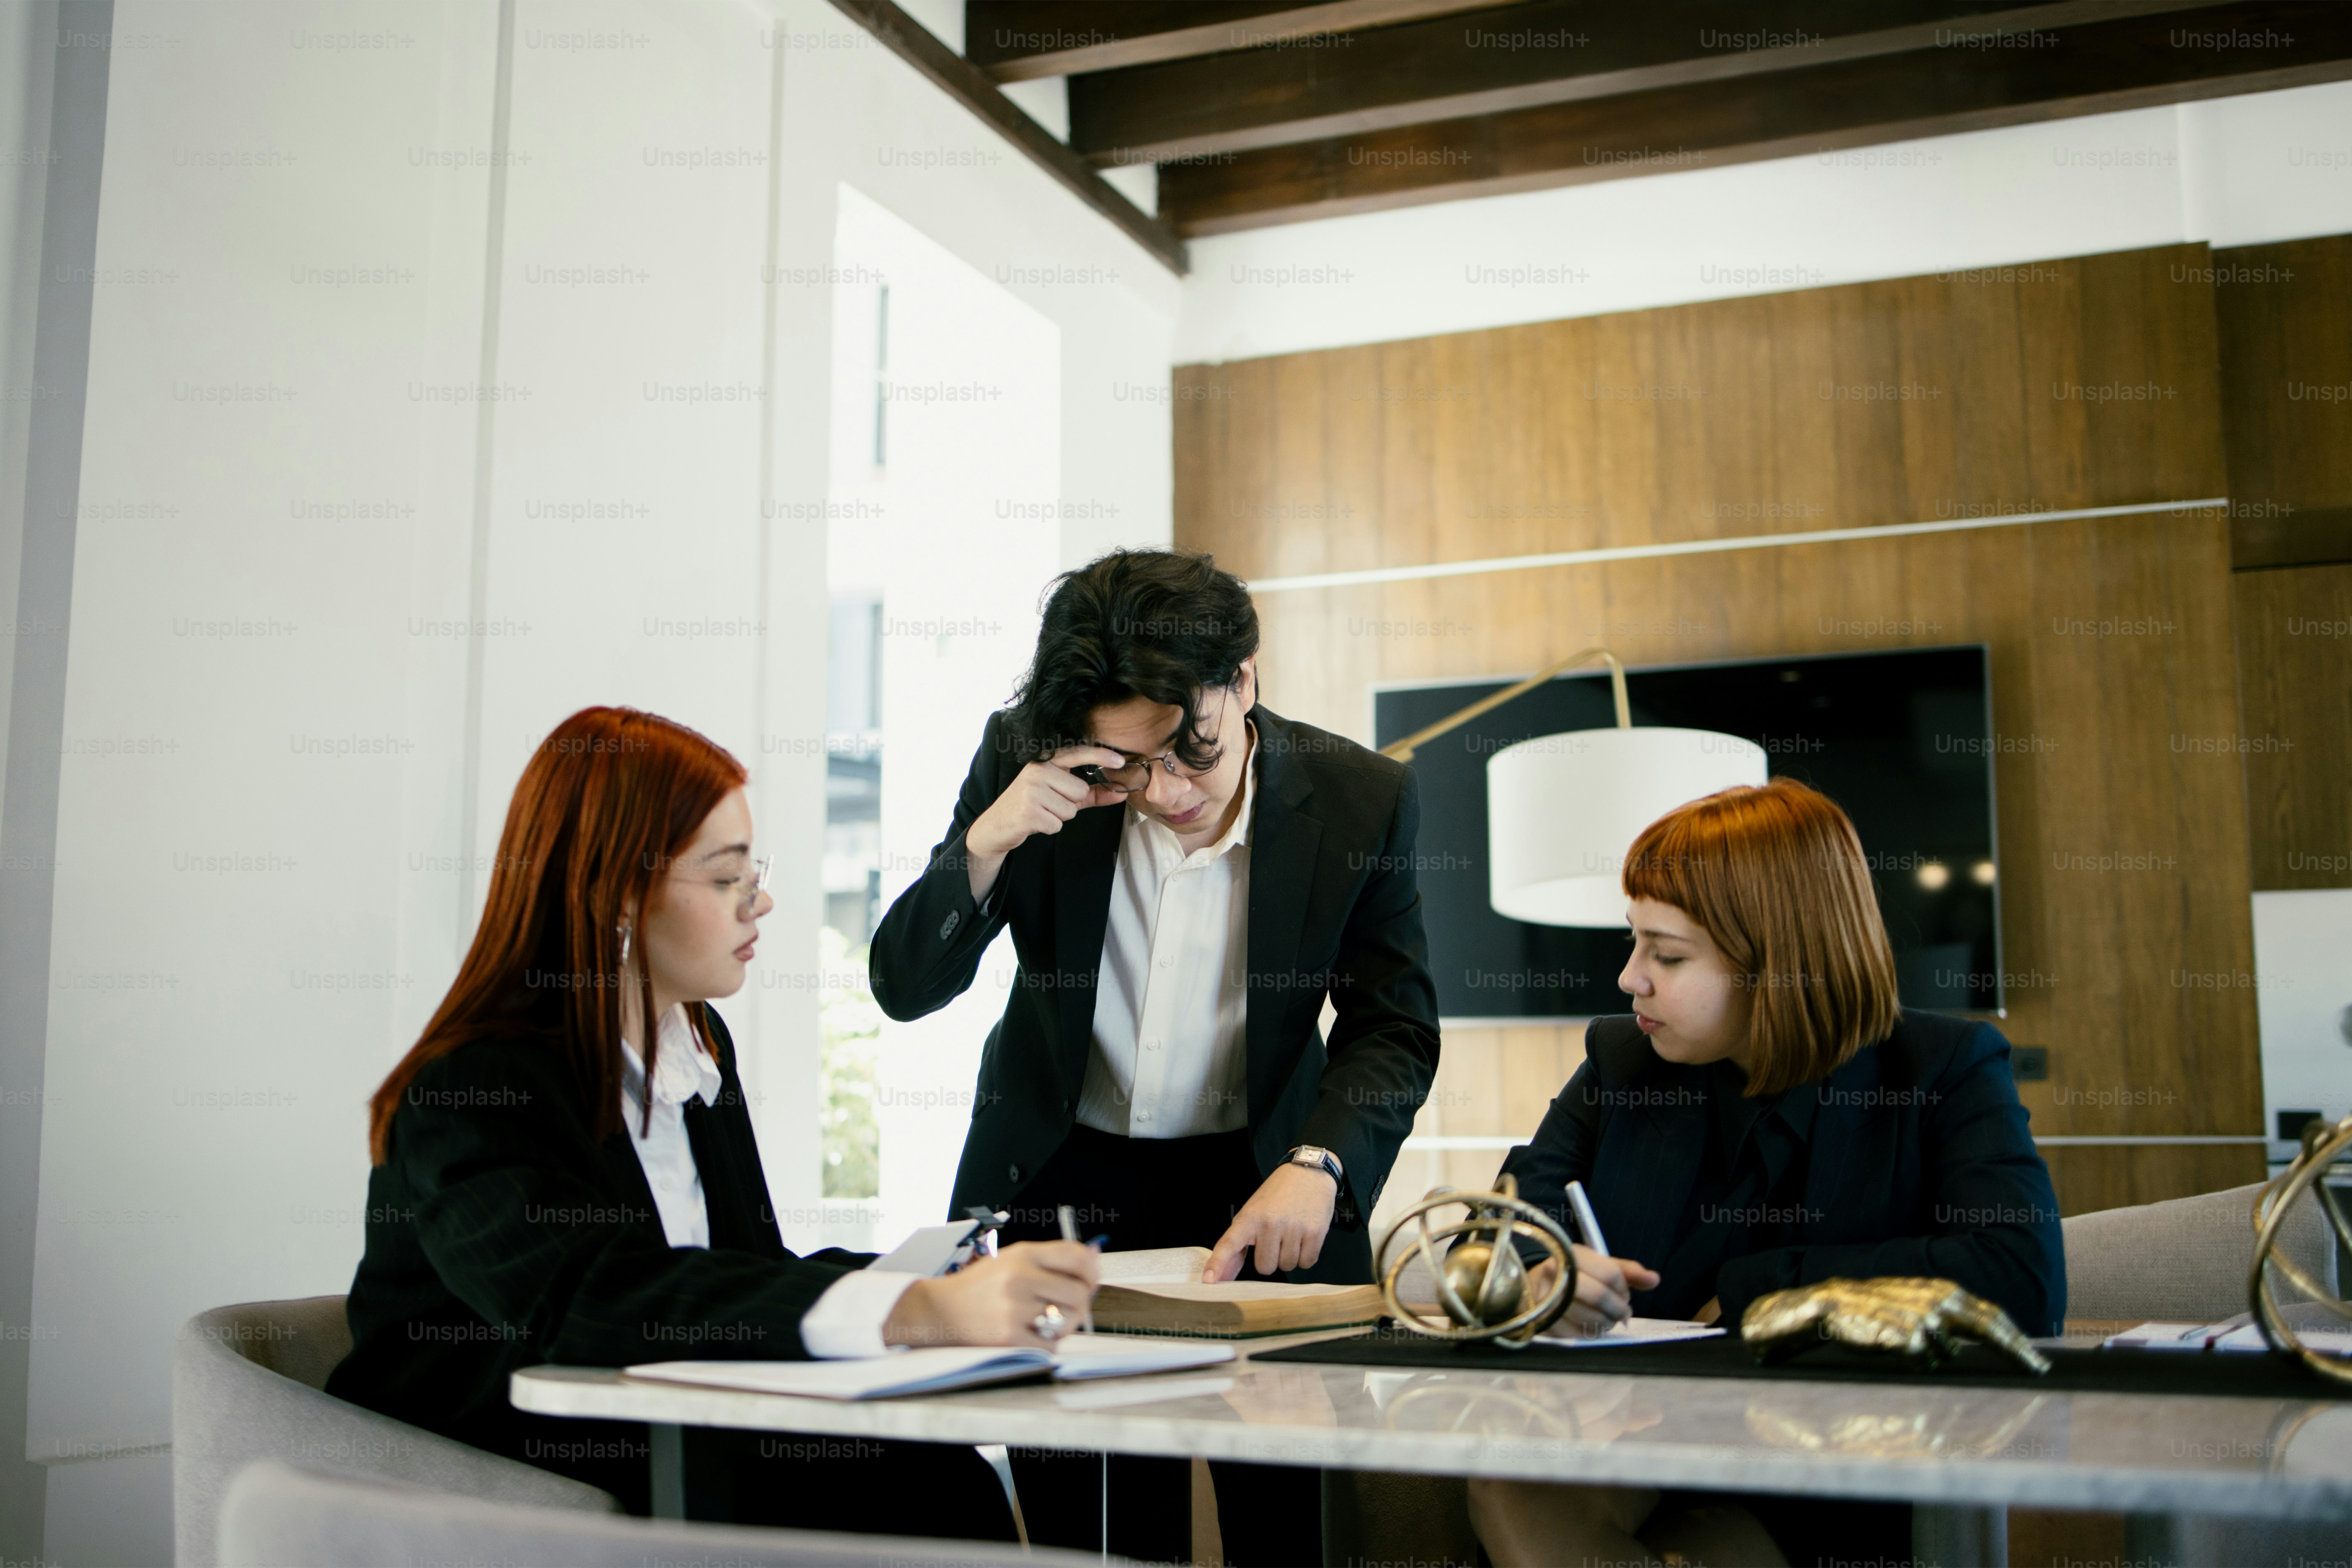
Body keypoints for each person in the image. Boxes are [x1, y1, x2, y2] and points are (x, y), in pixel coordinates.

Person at [328, 705, 1099, 1532]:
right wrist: (919, 1311)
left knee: (934, 1474)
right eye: (729, 876)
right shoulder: (471, 1089)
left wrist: (937, 1283)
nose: (760, 901)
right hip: (501, 1477)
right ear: (619, 892)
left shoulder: (695, 1043)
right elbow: (590, 1298)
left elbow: (738, 1268)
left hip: (663, 1430)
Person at [867, 548, 1442, 1563]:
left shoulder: (1362, 799)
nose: (1163, 791)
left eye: (1192, 754)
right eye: (1125, 765)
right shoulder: (1026, 757)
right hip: (1068, 1188)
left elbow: (1394, 1024)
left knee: (1281, 1524)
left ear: (1245, 681)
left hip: (1262, 1189)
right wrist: (986, 844)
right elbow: (906, 986)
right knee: (1095, 1538)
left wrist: (1322, 1165)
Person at [1469, 778, 2065, 1568]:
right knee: (1511, 1477)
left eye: (1668, 954)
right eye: (1633, 941)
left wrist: (1768, 1288)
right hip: (1635, 1434)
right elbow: (1487, 1243)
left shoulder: (1944, 1067)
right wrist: (1535, 1282)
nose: (1631, 978)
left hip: (1834, 1460)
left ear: (1779, 963)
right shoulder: (1621, 1062)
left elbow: (2021, 1279)